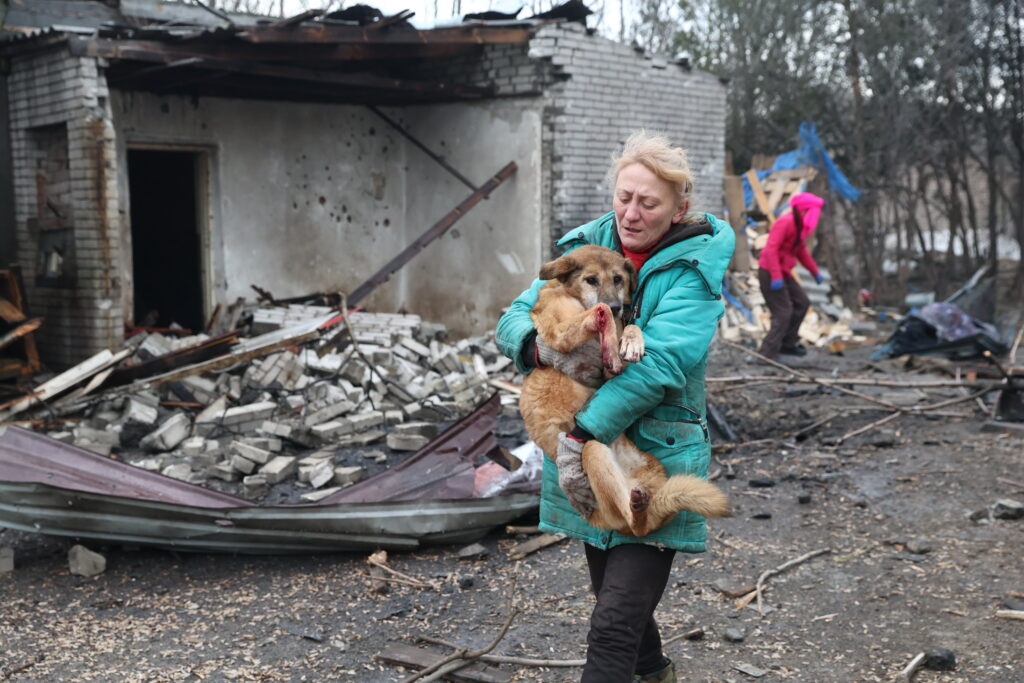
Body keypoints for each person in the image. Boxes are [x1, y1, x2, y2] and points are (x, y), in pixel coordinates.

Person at [495, 131, 735, 683]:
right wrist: (541, 350)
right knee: (620, 608)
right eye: (624, 197)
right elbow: (513, 317)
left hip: (652, 455)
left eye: (648, 202)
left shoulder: (694, 272)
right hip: (585, 458)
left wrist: (582, 434)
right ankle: (657, 675)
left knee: (611, 626)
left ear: (678, 208)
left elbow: (660, 367)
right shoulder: (586, 246)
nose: (630, 213)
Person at [756, 191, 827, 361]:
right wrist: (775, 276)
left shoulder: (799, 226)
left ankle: (787, 345)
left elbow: (801, 251)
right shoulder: (785, 222)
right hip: (770, 272)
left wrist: (815, 271)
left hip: (784, 272)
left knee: (802, 303)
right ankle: (766, 354)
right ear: (802, 211)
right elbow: (771, 249)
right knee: (783, 312)